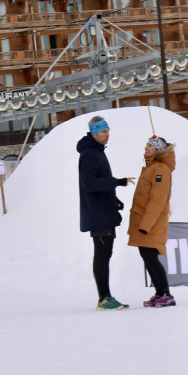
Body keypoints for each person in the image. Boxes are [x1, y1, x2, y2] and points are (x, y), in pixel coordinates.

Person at [77, 116, 135, 310]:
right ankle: (103, 298)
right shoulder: (89, 154)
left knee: (106, 253)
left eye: (108, 130)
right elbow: (89, 184)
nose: (107, 134)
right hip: (97, 214)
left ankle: (106, 296)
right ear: (94, 133)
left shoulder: (97, 152)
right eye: (103, 132)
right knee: (101, 255)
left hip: (103, 210)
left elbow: (100, 181)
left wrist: (114, 199)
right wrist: (117, 182)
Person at [128, 135, 176, 308]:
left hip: (151, 224)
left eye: (150, 145)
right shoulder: (152, 167)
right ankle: (159, 292)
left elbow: (158, 200)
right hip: (144, 222)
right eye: (146, 144)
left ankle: (166, 294)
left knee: (151, 256)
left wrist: (146, 225)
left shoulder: (161, 169)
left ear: (158, 149)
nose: (146, 147)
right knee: (146, 256)